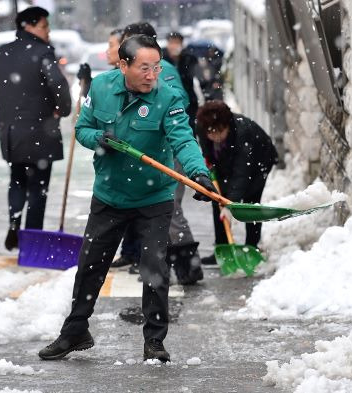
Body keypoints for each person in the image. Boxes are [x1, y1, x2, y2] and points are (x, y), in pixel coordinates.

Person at [38, 35, 217, 362]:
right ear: (123, 66)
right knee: (91, 265)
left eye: (157, 67)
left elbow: (183, 139)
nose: (152, 75)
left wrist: (198, 172)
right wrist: (101, 139)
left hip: (154, 196)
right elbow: (82, 129)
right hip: (110, 194)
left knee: (154, 268)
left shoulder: (168, 96)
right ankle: (75, 331)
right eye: (144, 68)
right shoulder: (102, 88)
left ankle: (154, 341)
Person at [110, 23, 204, 285]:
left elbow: (178, 107)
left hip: (169, 150)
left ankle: (188, 267)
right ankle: (158, 264)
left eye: (128, 41)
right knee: (155, 208)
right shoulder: (130, 71)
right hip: (148, 152)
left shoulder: (164, 72)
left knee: (169, 208)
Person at [0, 6, 72, 251]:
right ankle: (31, 241)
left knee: (17, 181)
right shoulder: (44, 52)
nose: (48, 30)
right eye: (44, 26)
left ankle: (14, 224)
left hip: (11, 132)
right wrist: (61, 109)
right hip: (40, 130)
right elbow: (59, 85)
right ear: (29, 26)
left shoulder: (1, 52)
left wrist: (12, 99)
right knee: (38, 187)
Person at [195, 101, 278, 265]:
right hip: (225, 160)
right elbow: (206, 149)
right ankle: (223, 247)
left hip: (258, 162)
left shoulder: (242, 133)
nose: (216, 136)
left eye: (220, 131)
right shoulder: (203, 128)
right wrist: (209, 161)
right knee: (217, 199)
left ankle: (251, 247)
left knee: (250, 203)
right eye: (211, 133)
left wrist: (230, 205)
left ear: (228, 125)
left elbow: (242, 173)